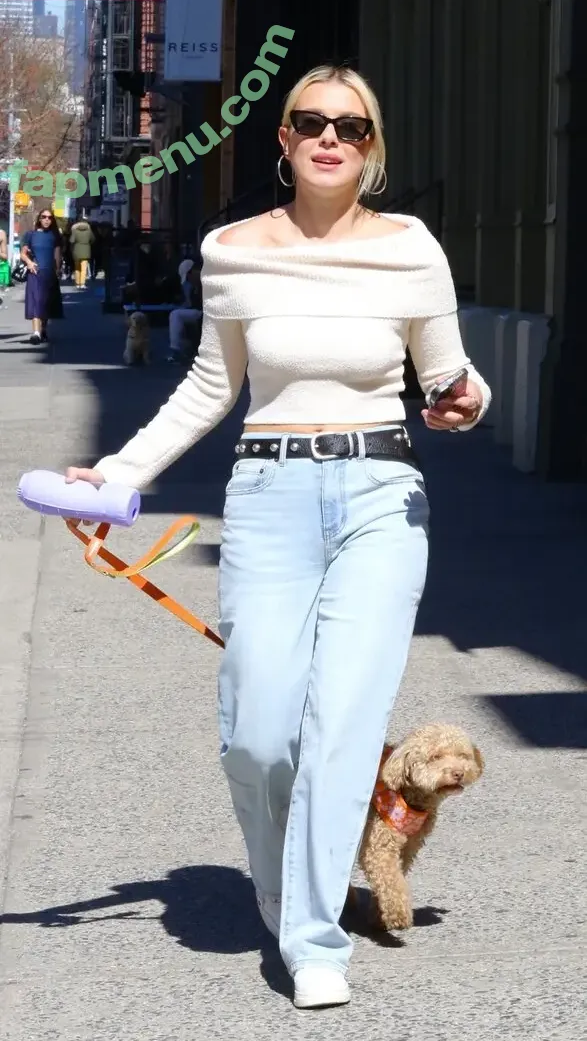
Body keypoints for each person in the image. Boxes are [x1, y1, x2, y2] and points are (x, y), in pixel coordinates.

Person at [64, 65, 491, 1009]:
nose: (331, 136)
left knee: (343, 720)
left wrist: (463, 399)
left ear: (371, 147)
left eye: (352, 125)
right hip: (267, 491)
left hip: (381, 493)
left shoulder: (410, 247)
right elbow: (209, 387)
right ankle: (278, 884)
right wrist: (120, 473)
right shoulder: (232, 249)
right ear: (285, 139)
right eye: (311, 121)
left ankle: (312, 935)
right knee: (258, 733)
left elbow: (449, 371)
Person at [21, 209, 63, 344]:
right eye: (44, 217)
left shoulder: (55, 236)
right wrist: (29, 262)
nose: (46, 219)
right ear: (39, 218)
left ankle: (43, 329)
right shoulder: (30, 235)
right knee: (35, 301)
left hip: (49, 273)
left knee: (46, 303)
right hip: (35, 272)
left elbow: (57, 254)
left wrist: (58, 270)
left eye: (49, 218)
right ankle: (36, 333)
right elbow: (23, 254)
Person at [167, 258, 203, 363]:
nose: (189, 281)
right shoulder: (194, 288)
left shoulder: (206, 282)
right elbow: (192, 304)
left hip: (208, 312)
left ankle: (176, 350)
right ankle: (178, 349)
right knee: (177, 314)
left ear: (192, 271)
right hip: (200, 312)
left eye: (188, 277)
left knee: (176, 314)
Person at [70, 213, 94, 288]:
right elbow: (93, 239)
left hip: (76, 251)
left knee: (77, 268)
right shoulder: (89, 230)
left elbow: (71, 240)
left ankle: (77, 283)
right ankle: (82, 283)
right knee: (84, 268)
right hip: (86, 250)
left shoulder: (75, 230)